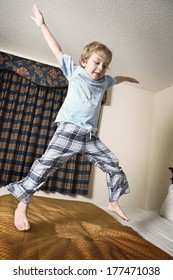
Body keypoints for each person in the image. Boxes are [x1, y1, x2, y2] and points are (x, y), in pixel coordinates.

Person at [6, 4, 139, 231]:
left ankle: (113, 201)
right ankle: (23, 203)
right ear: (85, 61)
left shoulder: (105, 82)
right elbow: (56, 50)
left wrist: (129, 78)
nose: (100, 68)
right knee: (44, 165)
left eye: (104, 65)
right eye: (97, 62)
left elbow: (116, 78)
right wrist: (42, 25)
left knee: (113, 164)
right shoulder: (75, 72)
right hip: (68, 130)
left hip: (88, 136)